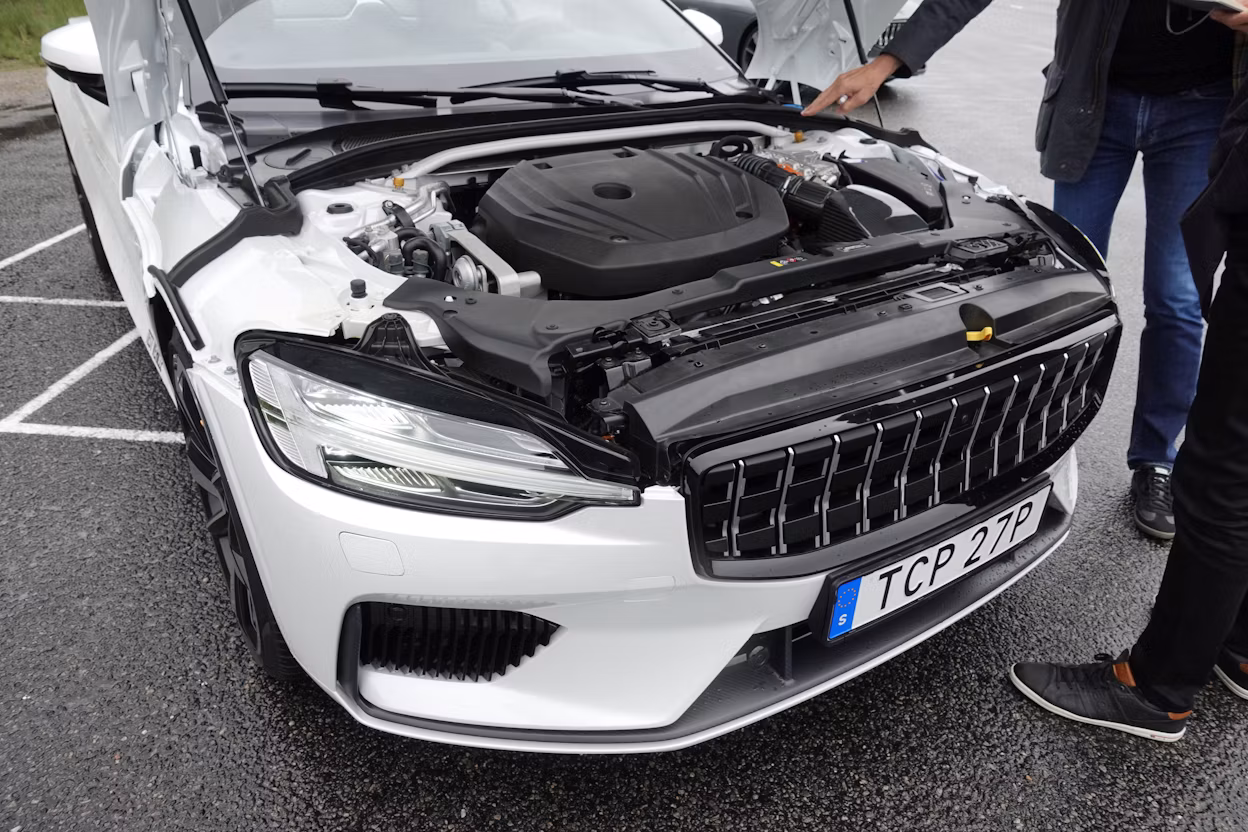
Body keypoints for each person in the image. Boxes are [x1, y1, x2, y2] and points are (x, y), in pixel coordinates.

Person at [804, 0, 1248, 541]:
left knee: (1175, 298)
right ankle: (1038, 442)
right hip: (1094, 100)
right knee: (1063, 287)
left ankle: (1157, 461)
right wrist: (887, 62)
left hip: (1202, 108)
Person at [1009, 20, 1248, 740]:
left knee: (1221, 471)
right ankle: (1237, 647)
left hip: (1199, 105)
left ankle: (1156, 688)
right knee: (1063, 298)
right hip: (1102, 100)